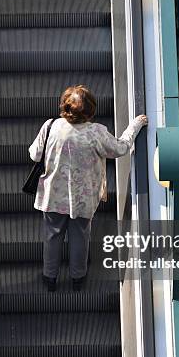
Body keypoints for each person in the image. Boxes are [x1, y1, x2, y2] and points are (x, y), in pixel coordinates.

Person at [29, 85, 148, 292]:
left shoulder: (50, 126)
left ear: (64, 106)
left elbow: (34, 155)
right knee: (80, 238)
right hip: (83, 199)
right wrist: (135, 125)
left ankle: (50, 278)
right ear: (91, 111)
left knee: (52, 236)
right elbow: (121, 148)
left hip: (53, 196)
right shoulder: (96, 133)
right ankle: (78, 278)